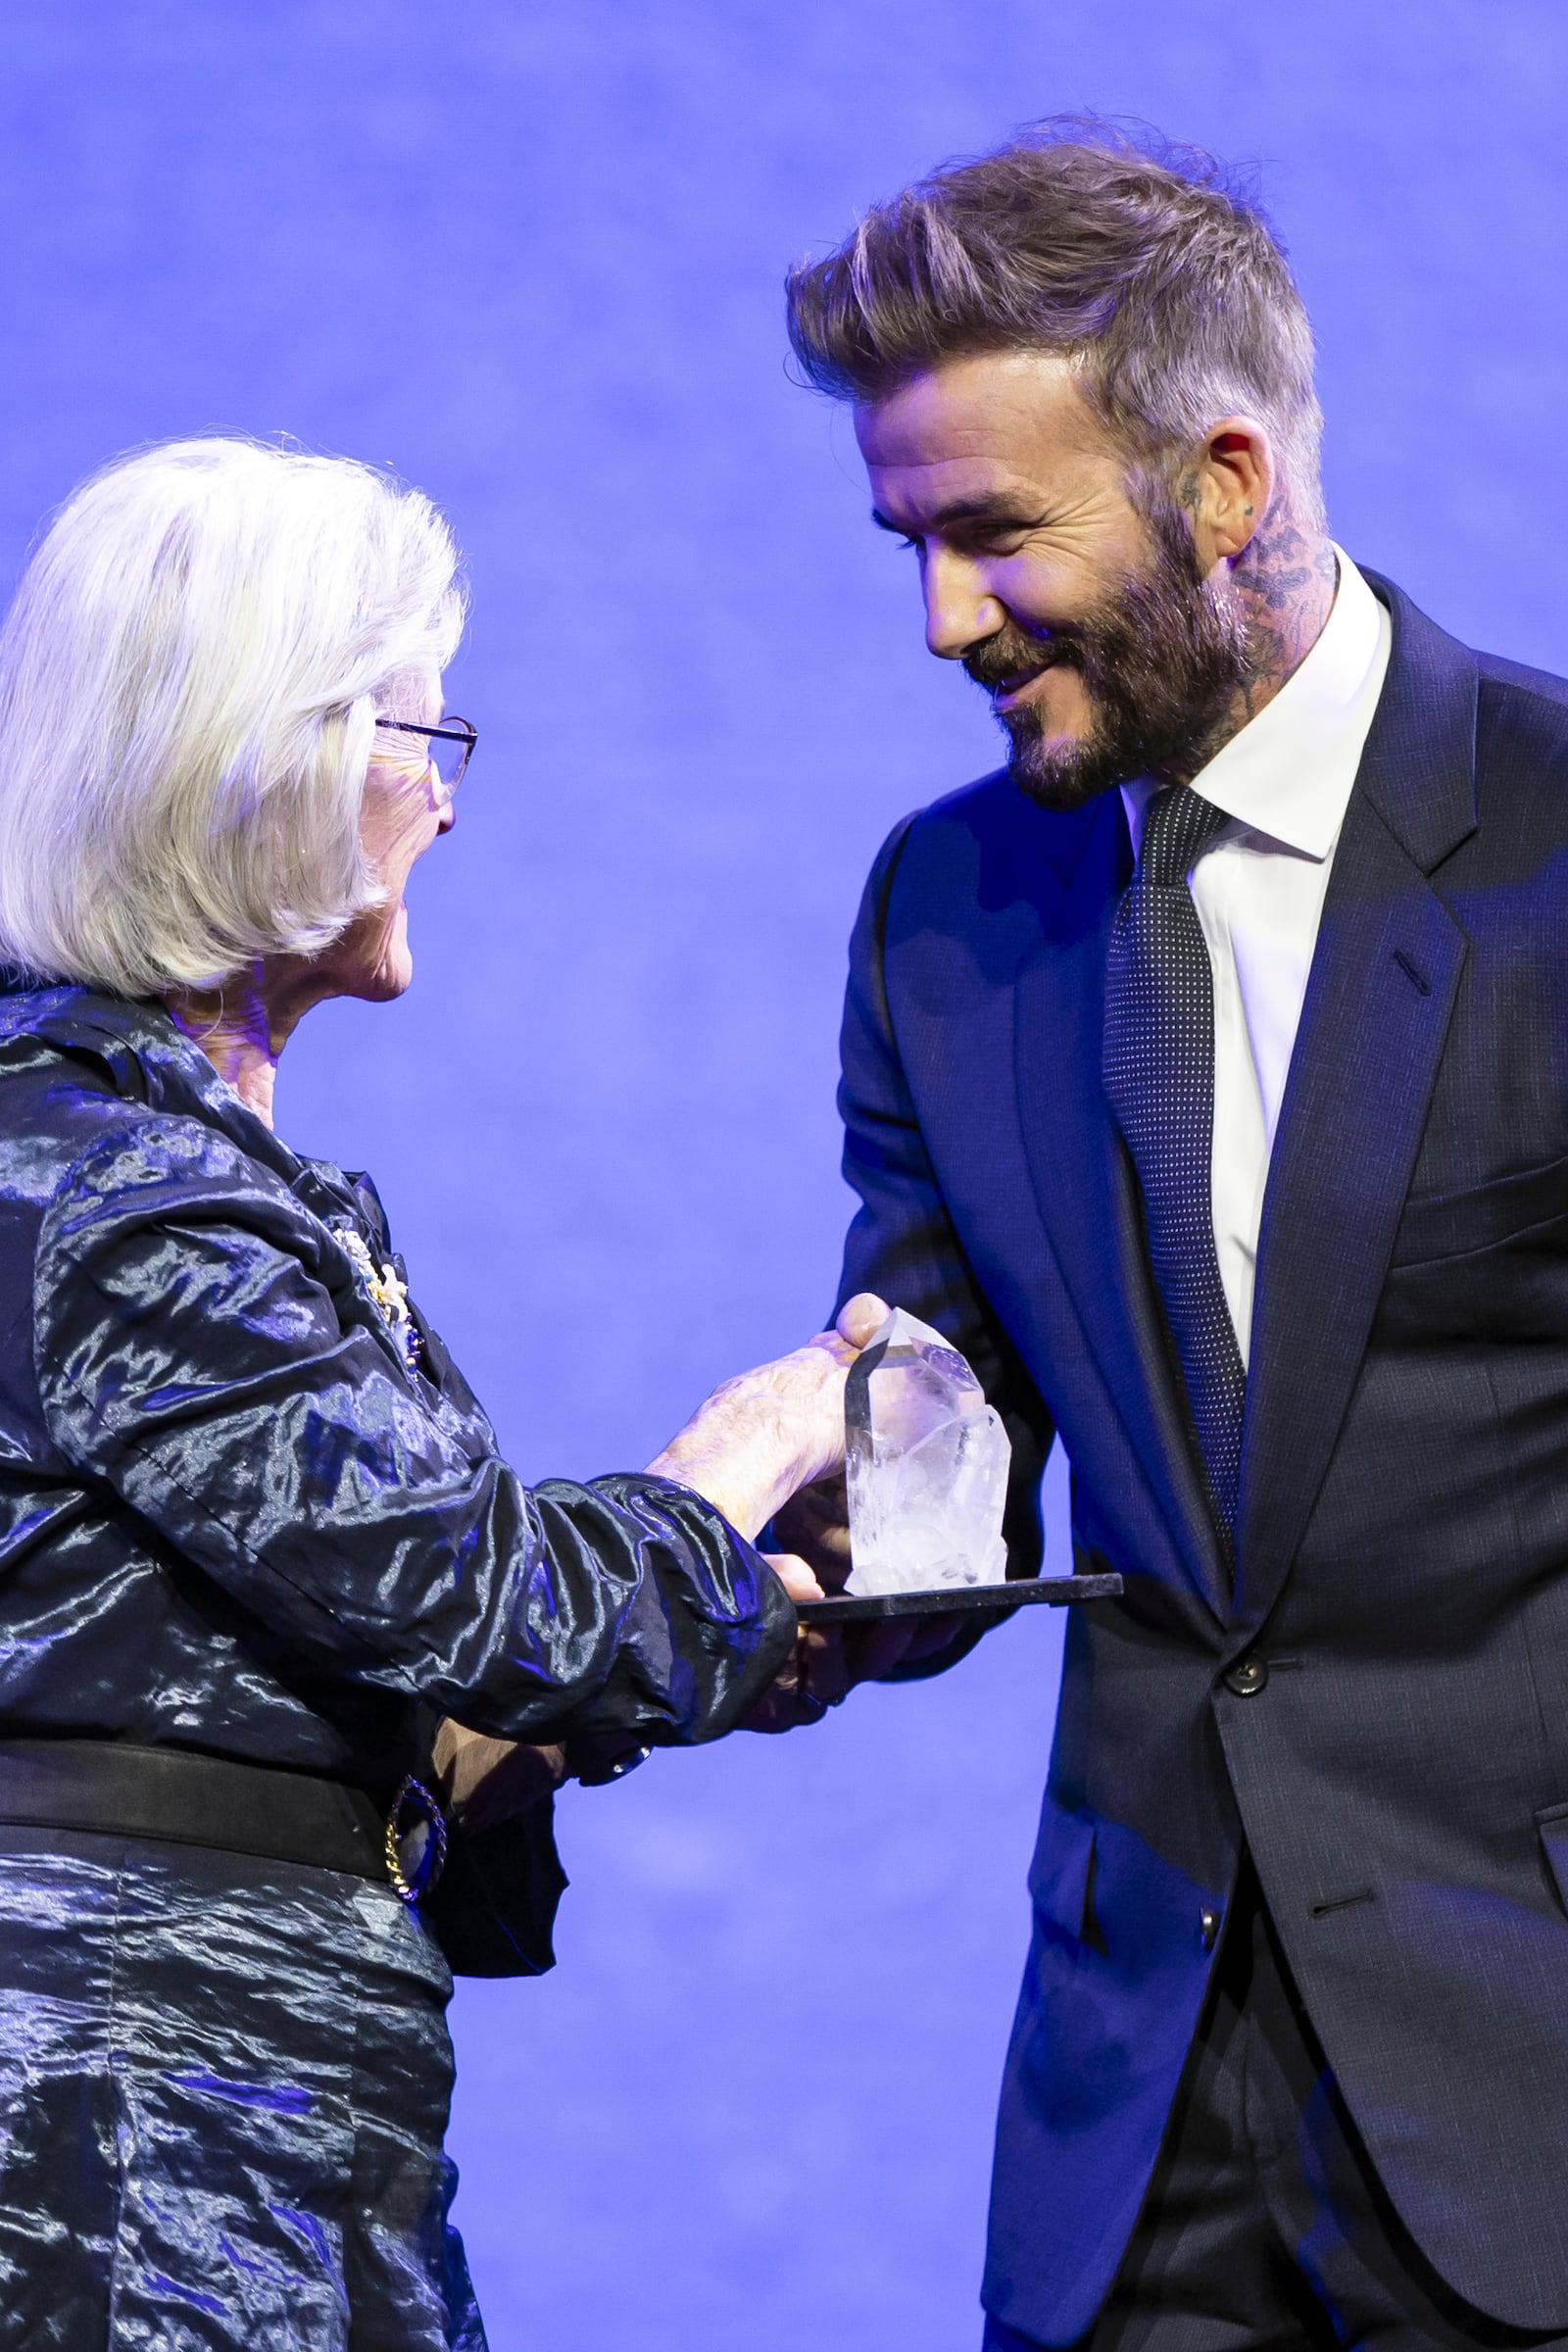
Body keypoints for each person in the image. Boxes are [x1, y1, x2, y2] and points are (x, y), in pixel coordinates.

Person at [780, 122, 1568, 2350]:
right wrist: (750, 1565)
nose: (939, 618)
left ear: (1223, 485)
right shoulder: (943, 910)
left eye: (989, 535)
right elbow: (939, 1435)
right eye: (905, 542)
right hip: (1128, 2149)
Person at [0, 435, 881, 2350]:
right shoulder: (110, 1191)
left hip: (254, 2133)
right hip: (139, 2162)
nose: (445, 809)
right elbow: (474, 1596)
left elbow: (319, 1665)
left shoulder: (166, 1178)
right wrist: (746, 1452)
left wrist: (601, 1699)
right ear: (270, 760)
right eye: (423, 736)